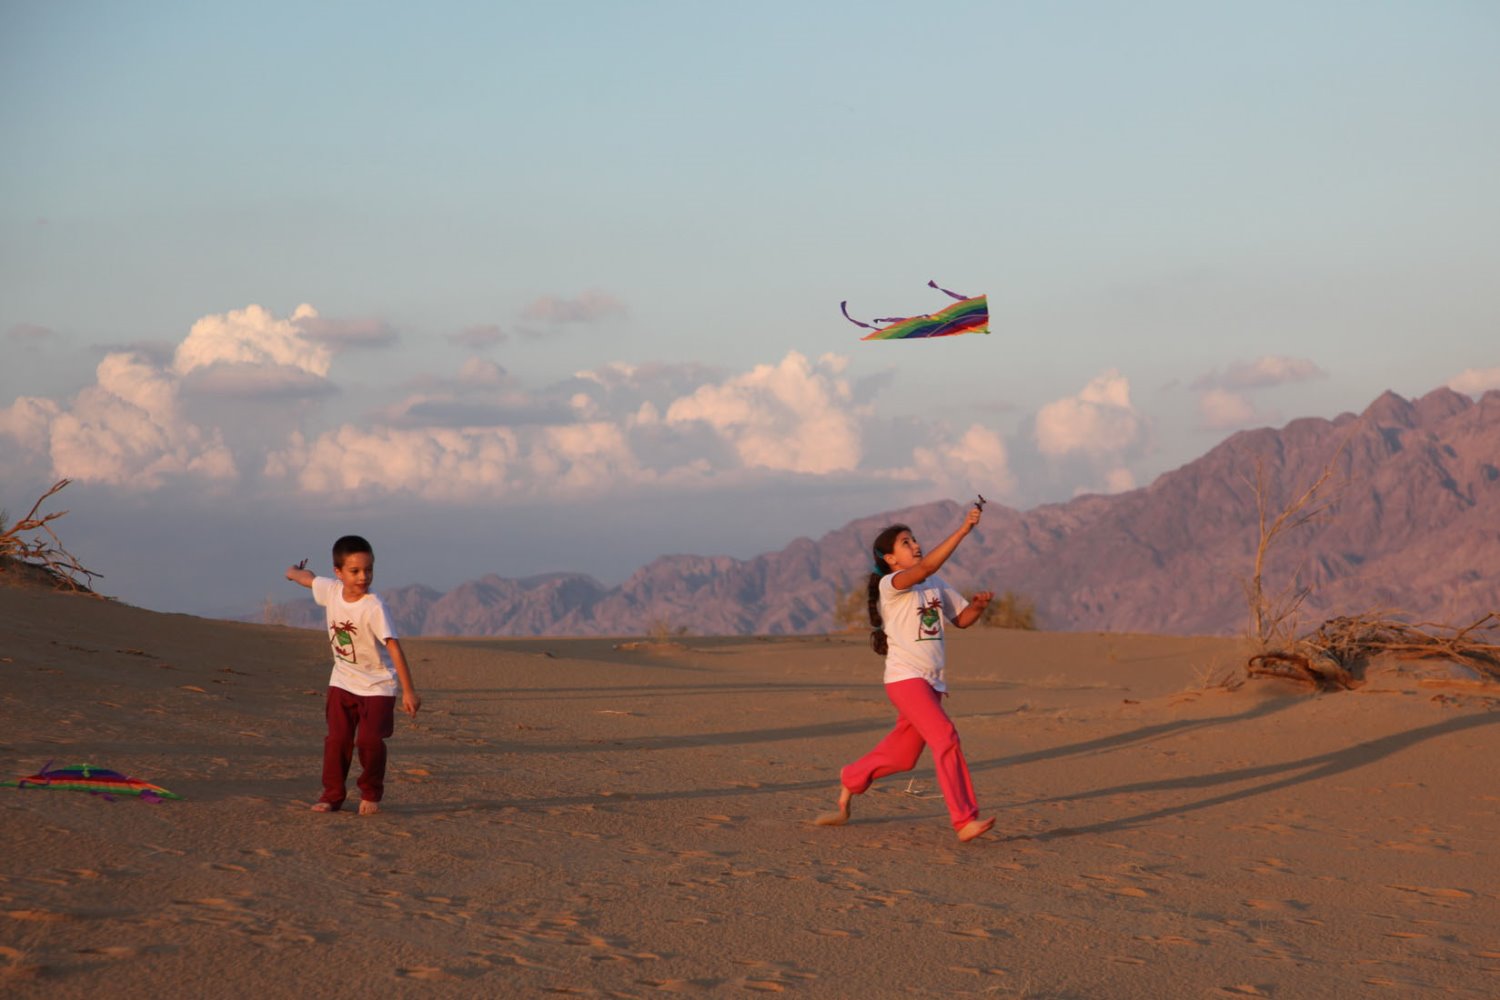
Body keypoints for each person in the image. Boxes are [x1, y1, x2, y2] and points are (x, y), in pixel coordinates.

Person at [817, 505, 996, 842]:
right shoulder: (893, 584)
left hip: (932, 684)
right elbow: (929, 564)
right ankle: (964, 820)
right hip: (905, 680)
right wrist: (963, 530)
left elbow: (962, 620)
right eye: (905, 542)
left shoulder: (935, 584)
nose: (914, 545)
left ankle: (851, 778)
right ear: (891, 560)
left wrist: (977, 607)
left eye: (913, 539)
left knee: (903, 757)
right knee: (945, 737)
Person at [285, 535, 421, 815]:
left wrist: (408, 690)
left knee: (369, 742)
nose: (363, 577)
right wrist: (292, 572)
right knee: (337, 741)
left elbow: (394, 647)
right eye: (355, 571)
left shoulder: (374, 606)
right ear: (339, 572)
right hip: (343, 682)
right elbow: (308, 578)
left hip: (378, 686)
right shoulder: (332, 590)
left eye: (368, 570)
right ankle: (332, 795)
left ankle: (370, 793)